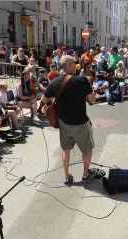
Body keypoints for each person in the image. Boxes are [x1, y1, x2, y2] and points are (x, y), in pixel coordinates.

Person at [42, 55, 97, 185]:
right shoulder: (81, 80)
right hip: (80, 123)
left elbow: (44, 101)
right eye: (74, 63)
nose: (76, 65)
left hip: (64, 123)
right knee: (87, 150)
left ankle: (66, 177)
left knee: (66, 150)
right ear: (70, 65)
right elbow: (92, 100)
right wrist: (91, 91)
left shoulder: (54, 82)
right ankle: (85, 174)